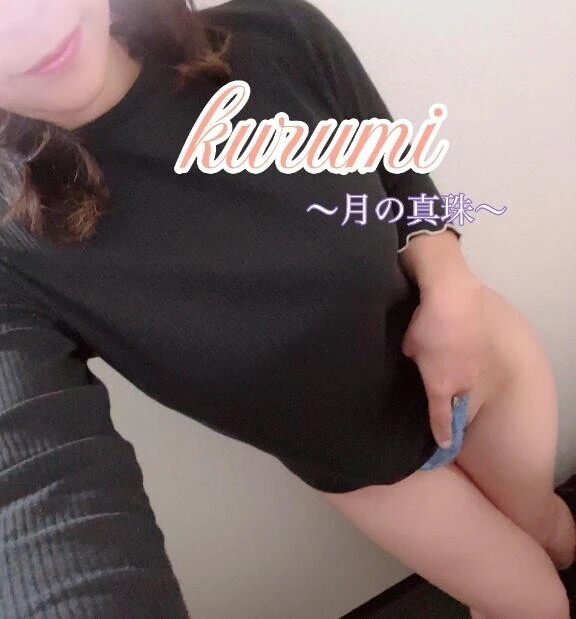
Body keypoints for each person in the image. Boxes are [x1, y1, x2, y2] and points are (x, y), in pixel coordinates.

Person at [0, 0, 573, 617]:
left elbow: (400, 178)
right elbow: (32, 483)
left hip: (481, 363)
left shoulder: (275, 38)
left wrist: (451, 284)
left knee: (549, 533)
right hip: (378, 474)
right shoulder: (16, 252)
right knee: (533, 606)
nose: (26, 21)